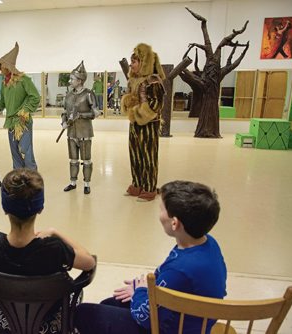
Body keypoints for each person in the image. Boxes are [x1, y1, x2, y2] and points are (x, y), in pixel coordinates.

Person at [75, 180, 227, 334]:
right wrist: (147, 289)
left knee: (84, 313)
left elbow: (146, 317)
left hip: (169, 328)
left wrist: (140, 291)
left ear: (175, 223)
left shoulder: (179, 270)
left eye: (161, 209)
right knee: (110, 303)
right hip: (195, 320)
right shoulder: (208, 243)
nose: (159, 214)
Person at [0, 168, 96, 333]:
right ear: (40, 208)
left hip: (6, 317)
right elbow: (89, 262)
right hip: (48, 318)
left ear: (4, 208)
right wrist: (55, 232)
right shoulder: (53, 248)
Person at [121, 43, 165, 202]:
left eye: (135, 61)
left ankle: (149, 188)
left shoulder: (153, 81)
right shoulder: (134, 80)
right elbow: (129, 99)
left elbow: (155, 106)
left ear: (144, 63)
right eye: (132, 61)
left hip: (149, 125)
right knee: (135, 155)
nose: (131, 64)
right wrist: (129, 105)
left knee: (148, 156)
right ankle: (137, 184)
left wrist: (137, 112)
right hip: (135, 124)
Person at [0, 42, 41, 170]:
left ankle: (31, 176)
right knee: (15, 152)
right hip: (11, 122)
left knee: (25, 150)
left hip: (23, 122)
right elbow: (3, 101)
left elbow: (35, 96)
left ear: (7, 66)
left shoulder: (24, 80)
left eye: (1, 65)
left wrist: (25, 110)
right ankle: (18, 175)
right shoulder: (4, 83)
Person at [61, 61, 101, 195]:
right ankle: (73, 182)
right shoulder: (68, 95)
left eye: (72, 78)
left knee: (86, 159)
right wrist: (63, 122)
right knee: (73, 159)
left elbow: (95, 113)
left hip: (85, 131)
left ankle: (86, 184)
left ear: (80, 80)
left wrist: (80, 115)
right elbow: (64, 112)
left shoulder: (88, 94)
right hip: (71, 132)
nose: (70, 80)